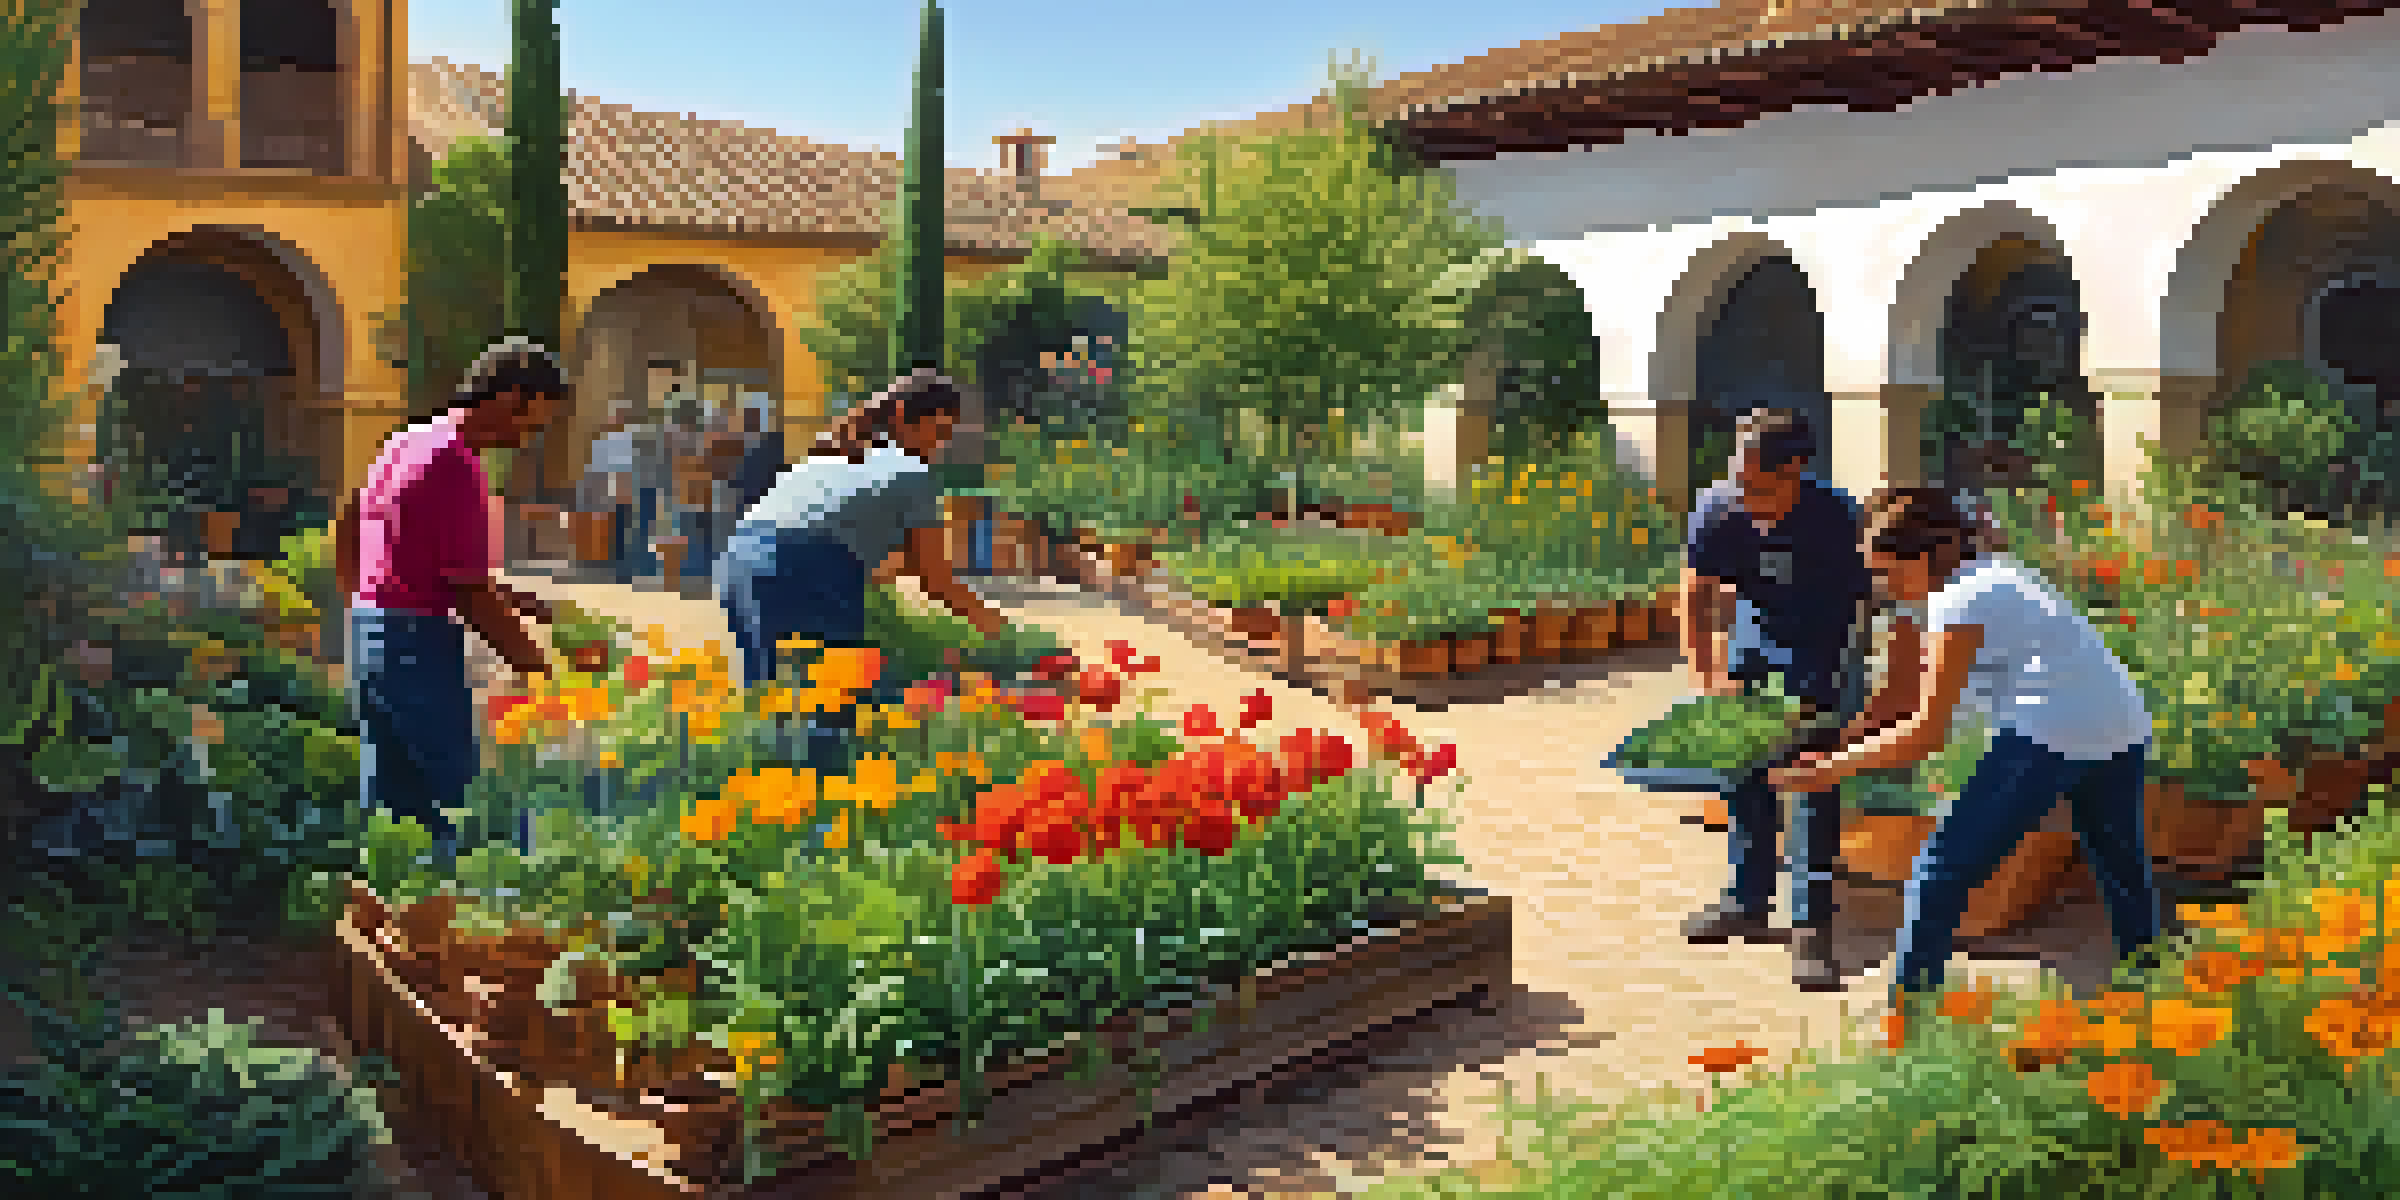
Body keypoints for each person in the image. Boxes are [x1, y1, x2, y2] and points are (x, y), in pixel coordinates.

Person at [1767, 488, 2161, 1017]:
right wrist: (1840, 738)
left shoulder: (1960, 599)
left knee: (1939, 869)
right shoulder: (1987, 577)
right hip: (2120, 722)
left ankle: (1909, 1020)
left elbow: (1927, 733)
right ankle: (2154, 994)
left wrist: (1832, 769)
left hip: (2052, 730)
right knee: (2120, 864)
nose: (1880, 586)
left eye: (1887, 572)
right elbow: (1908, 695)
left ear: (1924, 559)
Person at [337, 339, 564, 866]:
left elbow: (376, 535)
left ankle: (388, 913)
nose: (531, 437)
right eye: (535, 421)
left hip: (371, 627)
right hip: (417, 639)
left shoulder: (407, 442)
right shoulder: (456, 464)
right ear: (512, 398)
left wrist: (514, 597)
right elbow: (468, 596)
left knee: (394, 796)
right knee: (454, 796)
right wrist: (540, 671)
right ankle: (457, 925)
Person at [716, 369, 1010, 772]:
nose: (939, 447)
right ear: (904, 415)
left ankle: (759, 802)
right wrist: (1005, 632)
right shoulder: (911, 474)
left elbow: (868, 559)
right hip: (803, 562)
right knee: (831, 705)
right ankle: (821, 814)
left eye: (947, 436)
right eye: (937, 432)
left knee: (773, 698)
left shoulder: (838, 456)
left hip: (739, 560)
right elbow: (938, 583)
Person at [1678, 408, 1876, 992]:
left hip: (1822, 659)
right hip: (1751, 657)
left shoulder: (1839, 517)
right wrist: (1707, 677)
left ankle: (1811, 934)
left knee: (1810, 790)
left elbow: (1878, 605)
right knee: (1743, 780)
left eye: (1759, 489)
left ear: (1798, 470)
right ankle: (1745, 901)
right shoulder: (1718, 507)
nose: (1745, 499)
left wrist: (1855, 691)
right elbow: (1696, 593)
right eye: (1740, 483)